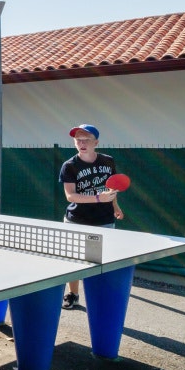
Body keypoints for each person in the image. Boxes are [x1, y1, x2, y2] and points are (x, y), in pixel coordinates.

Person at [59, 124, 123, 309]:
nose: (81, 143)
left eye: (86, 139)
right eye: (78, 139)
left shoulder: (108, 161)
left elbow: (111, 188)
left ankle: (99, 301)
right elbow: (70, 196)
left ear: (96, 142)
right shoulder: (69, 166)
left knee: (99, 263)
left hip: (103, 221)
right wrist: (97, 198)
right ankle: (73, 294)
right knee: (73, 261)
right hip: (76, 220)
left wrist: (115, 205)